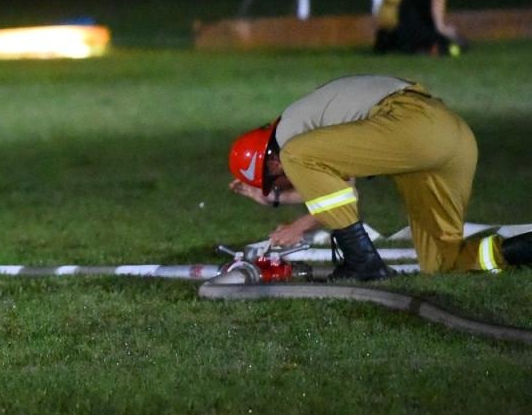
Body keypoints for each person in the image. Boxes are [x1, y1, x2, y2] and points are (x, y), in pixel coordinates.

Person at [227, 75, 531, 279]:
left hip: (413, 123)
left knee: (299, 154)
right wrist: (279, 199)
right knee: (442, 263)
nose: (285, 183)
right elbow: (337, 190)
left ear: (272, 162)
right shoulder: (300, 129)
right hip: (452, 138)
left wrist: (300, 225)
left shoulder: (289, 140)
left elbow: (336, 187)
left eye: (275, 182)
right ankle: (520, 250)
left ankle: (363, 262)